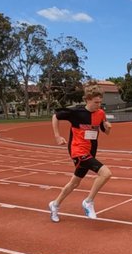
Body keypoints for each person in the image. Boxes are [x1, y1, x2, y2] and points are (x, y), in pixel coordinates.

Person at [48, 84, 113, 222]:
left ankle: (55, 204)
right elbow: (55, 116)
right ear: (87, 100)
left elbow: (105, 132)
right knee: (106, 173)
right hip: (78, 151)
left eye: (100, 102)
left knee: (74, 183)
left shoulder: (101, 113)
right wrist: (57, 136)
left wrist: (108, 128)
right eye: (96, 102)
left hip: (90, 151)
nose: (98, 105)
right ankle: (88, 201)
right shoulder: (76, 112)